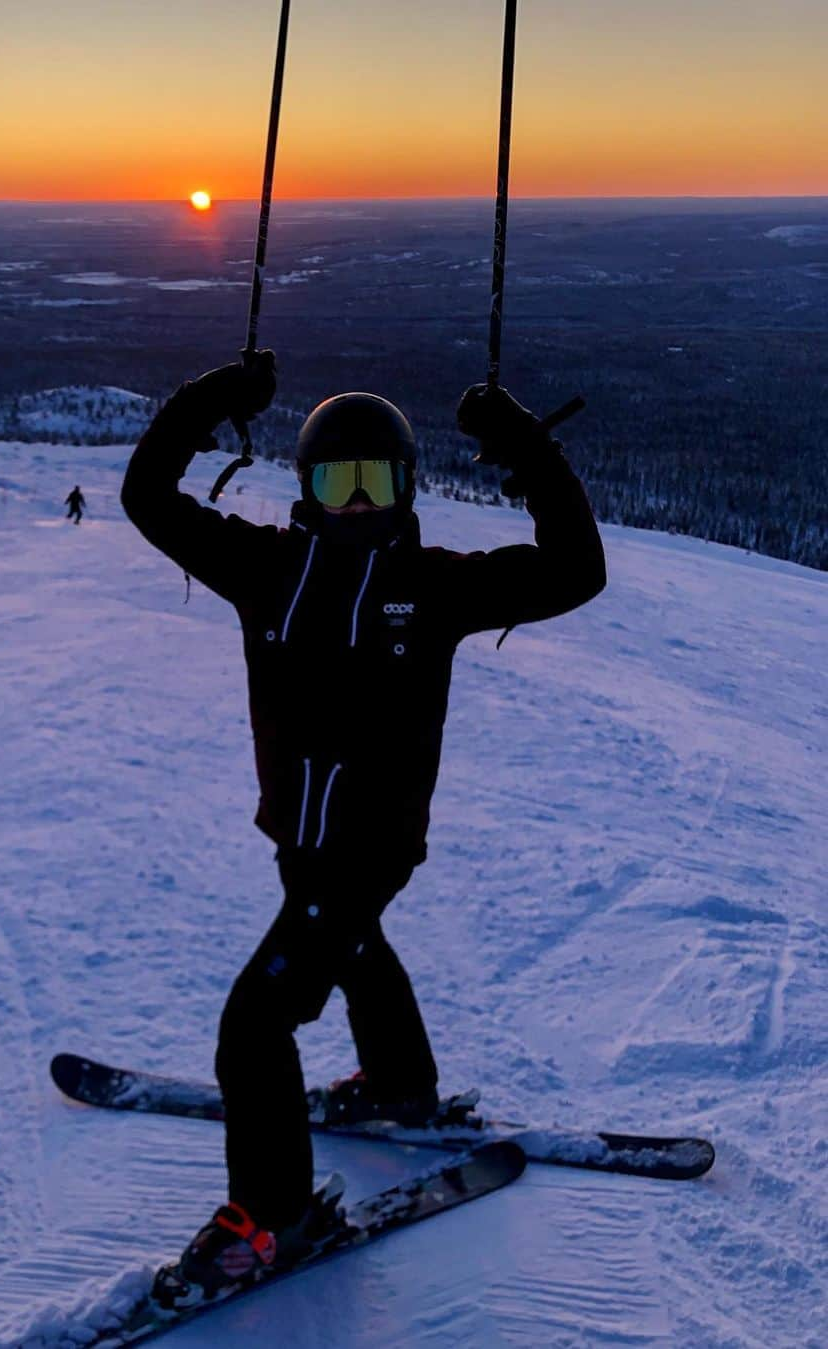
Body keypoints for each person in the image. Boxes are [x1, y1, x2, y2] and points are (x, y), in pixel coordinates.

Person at [120, 351, 606, 1300]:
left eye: (372, 481)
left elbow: (576, 570)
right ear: (306, 487)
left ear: (404, 486)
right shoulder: (263, 567)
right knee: (347, 942)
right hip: (299, 836)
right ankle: (398, 1083)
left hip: (370, 848)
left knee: (255, 1025)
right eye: (334, 481)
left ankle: (273, 1217)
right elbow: (146, 496)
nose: (353, 502)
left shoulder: (431, 588)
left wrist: (521, 447)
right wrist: (210, 399)